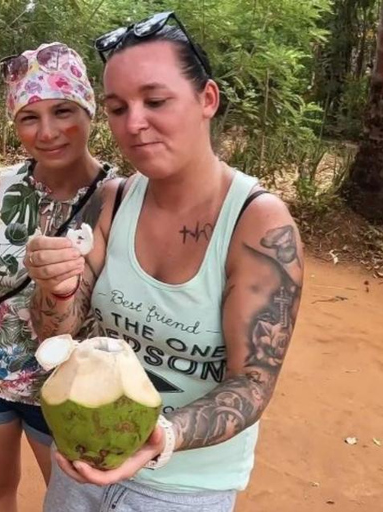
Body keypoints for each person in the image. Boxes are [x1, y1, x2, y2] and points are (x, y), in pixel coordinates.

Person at [24, 12, 304, 511]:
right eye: (116, 107)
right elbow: (54, 338)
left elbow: (253, 383)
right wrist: (57, 289)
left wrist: (163, 437)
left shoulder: (258, 225)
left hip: (184, 490)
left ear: (207, 100)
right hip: (85, 462)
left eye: (155, 101)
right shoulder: (110, 199)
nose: (134, 123)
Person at [0, 42, 117, 512]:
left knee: (72, 504)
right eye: (29, 117)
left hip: (70, 386)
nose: (47, 132)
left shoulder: (121, 196)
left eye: (63, 110)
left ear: (89, 111)